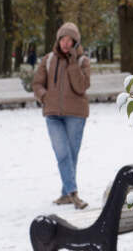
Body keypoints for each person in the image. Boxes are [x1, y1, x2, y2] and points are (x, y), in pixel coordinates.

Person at [32, 22, 90, 209]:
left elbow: (81, 87)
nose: (66, 43)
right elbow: (37, 83)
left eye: (70, 40)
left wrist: (72, 63)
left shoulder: (82, 61)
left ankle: (66, 194)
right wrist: (44, 96)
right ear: (58, 40)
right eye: (63, 39)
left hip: (76, 115)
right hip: (53, 115)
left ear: (75, 42)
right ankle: (73, 193)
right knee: (62, 154)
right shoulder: (48, 60)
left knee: (71, 155)